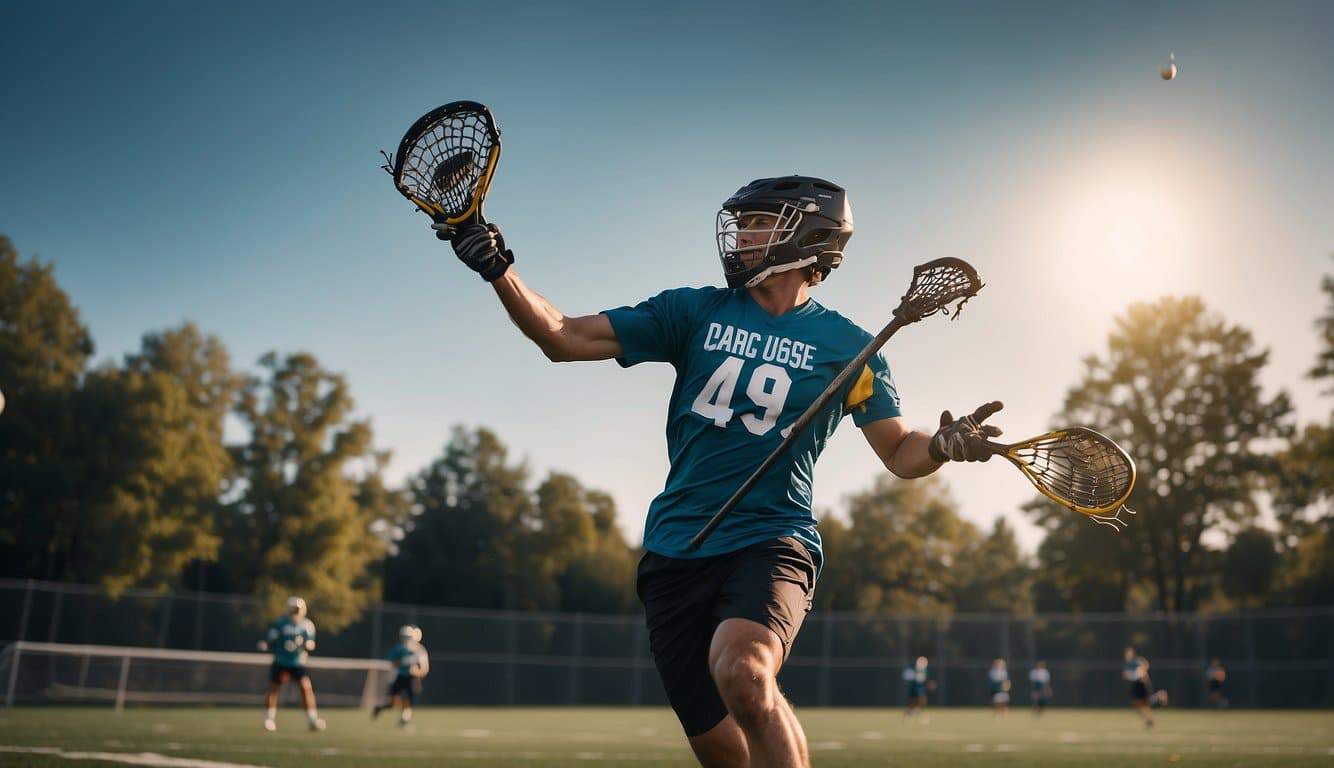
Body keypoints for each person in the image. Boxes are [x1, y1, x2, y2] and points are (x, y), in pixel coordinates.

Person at [441, 175, 1005, 768]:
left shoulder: (849, 346)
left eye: (761, 222)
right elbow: (563, 336)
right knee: (724, 754)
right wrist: (498, 268)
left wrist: (940, 445)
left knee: (746, 676)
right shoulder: (694, 310)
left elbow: (898, 452)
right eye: (745, 222)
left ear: (809, 236)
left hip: (771, 537)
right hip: (675, 547)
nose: (742, 235)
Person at [259, 596, 324, 732]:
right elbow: (271, 639)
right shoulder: (281, 623)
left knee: (306, 688)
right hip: (281, 661)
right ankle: (269, 718)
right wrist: (266, 644)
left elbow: (311, 643)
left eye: (297, 609)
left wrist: (308, 645)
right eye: (293, 609)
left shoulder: (307, 625)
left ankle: (312, 719)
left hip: (297, 663)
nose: (295, 612)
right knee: (274, 689)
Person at [374, 625, 430, 726]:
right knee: (393, 702)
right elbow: (392, 663)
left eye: (408, 636)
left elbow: (424, 669)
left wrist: (417, 677)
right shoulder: (398, 649)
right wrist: (405, 661)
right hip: (399, 677)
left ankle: (405, 718)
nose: (407, 639)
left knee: (408, 700)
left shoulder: (419, 650)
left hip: (412, 678)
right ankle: (381, 708)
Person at [1123, 647, 1156, 729]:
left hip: (1140, 684)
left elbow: (1144, 667)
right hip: (1136, 685)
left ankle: (1149, 720)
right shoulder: (1130, 663)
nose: (1127, 655)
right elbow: (1125, 675)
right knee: (1139, 704)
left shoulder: (1135, 661)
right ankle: (1148, 720)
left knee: (1143, 704)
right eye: (1126, 654)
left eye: (1128, 653)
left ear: (1132, 654)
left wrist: (1139, 673)